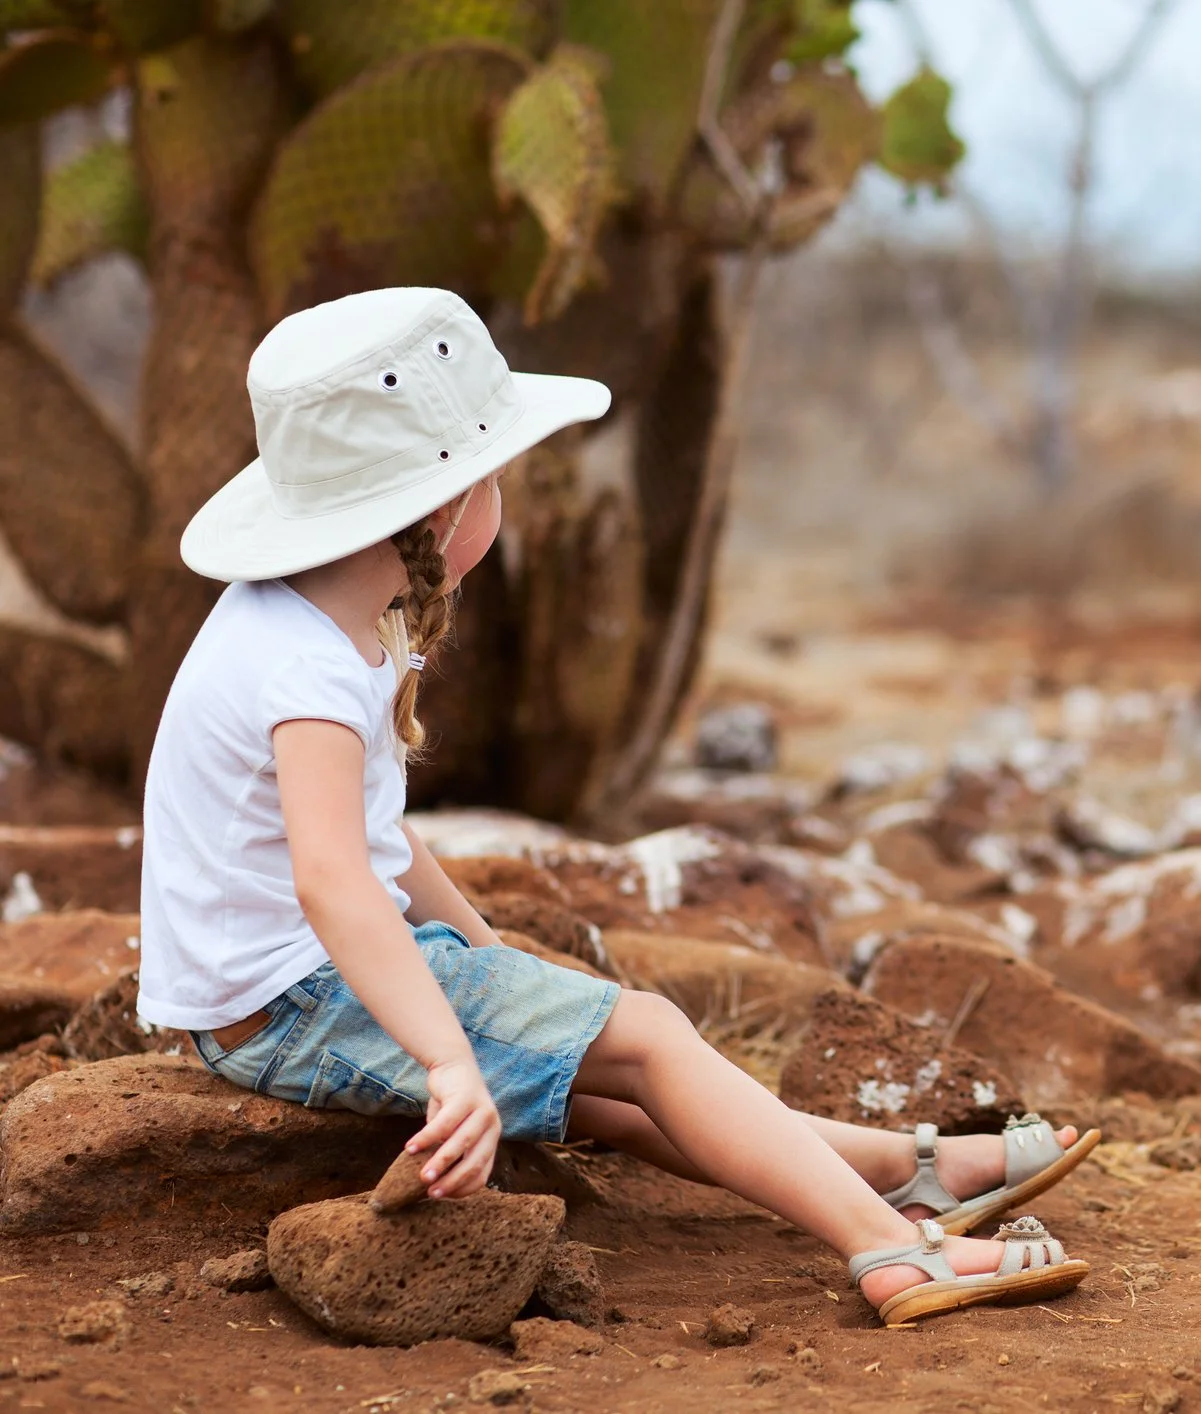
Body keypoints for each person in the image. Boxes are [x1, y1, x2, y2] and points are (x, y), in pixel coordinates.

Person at [134, 287, 1099, 1326]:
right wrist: (448, 1054)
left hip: (276, 992)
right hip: (289, 1001)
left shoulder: (334, 612)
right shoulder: (304, 666)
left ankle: (903, 1171)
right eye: (494, 477)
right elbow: (331, 878)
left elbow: (379, 838)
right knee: (652, 1034)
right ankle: (893, 1248)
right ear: (442, 510)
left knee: (599, 1078)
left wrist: (482, 951)